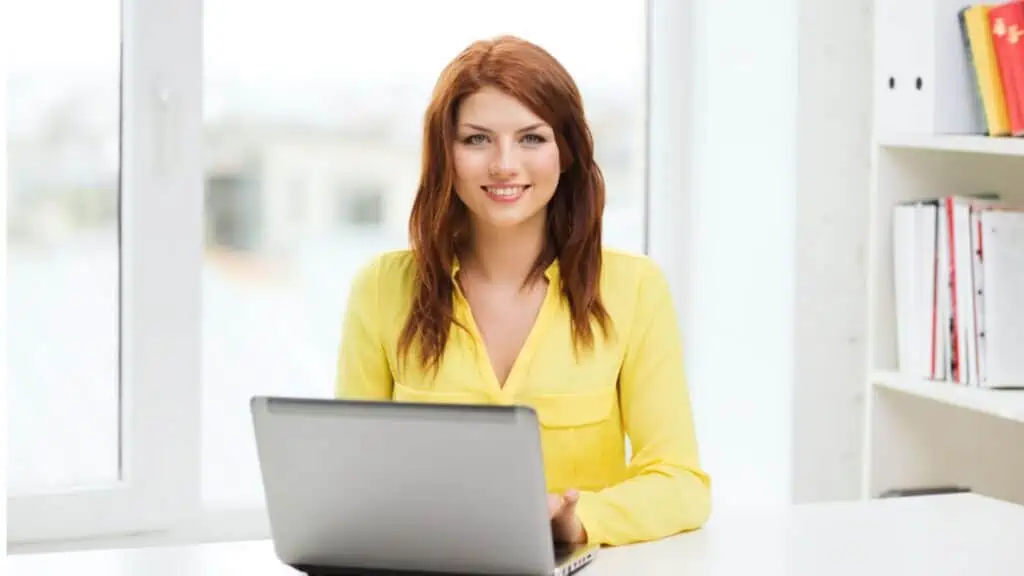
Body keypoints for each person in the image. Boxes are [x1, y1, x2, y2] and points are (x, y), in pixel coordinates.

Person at [335, 34, 711, 547]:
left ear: (567, 153)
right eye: (477, 139)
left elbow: (681, 484)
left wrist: (578, 520)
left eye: (531, 138)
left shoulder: (633, 289)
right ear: (445, 154)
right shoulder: (381, 289)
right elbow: (349, 476)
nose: (504, 165)